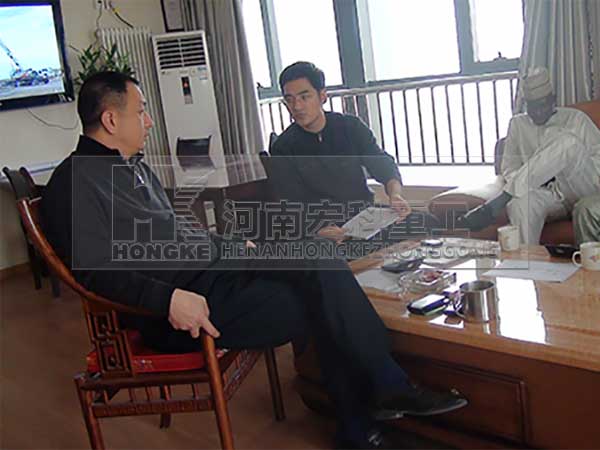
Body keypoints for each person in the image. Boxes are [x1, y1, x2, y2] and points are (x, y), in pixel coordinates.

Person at [41, 72, 466, 449]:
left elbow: (176, 232)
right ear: (112, 120)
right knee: (322, 299)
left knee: (317, 259)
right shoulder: (74, 183)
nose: (149, 121)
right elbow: (93, 270)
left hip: (216, 272)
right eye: (141, 111)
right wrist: (169, 297)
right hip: (182, 306)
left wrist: (231, 245)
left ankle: (377, 401)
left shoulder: (133, 168)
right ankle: (372, 409)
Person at [268, 61, 436, 246]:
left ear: (322, 96)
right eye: (289, 100)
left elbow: (383, 165)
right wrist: (320, 229)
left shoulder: (350, 127)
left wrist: (395, 195)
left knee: (426, 222)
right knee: (338, 250)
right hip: (323, 227)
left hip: (364, 218)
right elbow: (292, 201)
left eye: (304, 97)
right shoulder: (283, 147)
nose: (297, 107)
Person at [458, 67, 600, 244]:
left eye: (543, 105)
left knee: (567, 143)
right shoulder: (518, 125)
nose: (538, 112)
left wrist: (556, 166)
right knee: (520, 203)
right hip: (547, 194)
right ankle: (528, 263)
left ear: (553, 100)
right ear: (526, 104)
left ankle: (501, 200)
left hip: (582, 189)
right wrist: (534, 178)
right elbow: (509, 167)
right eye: (533, 107)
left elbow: (597, 162)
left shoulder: (576, 119)